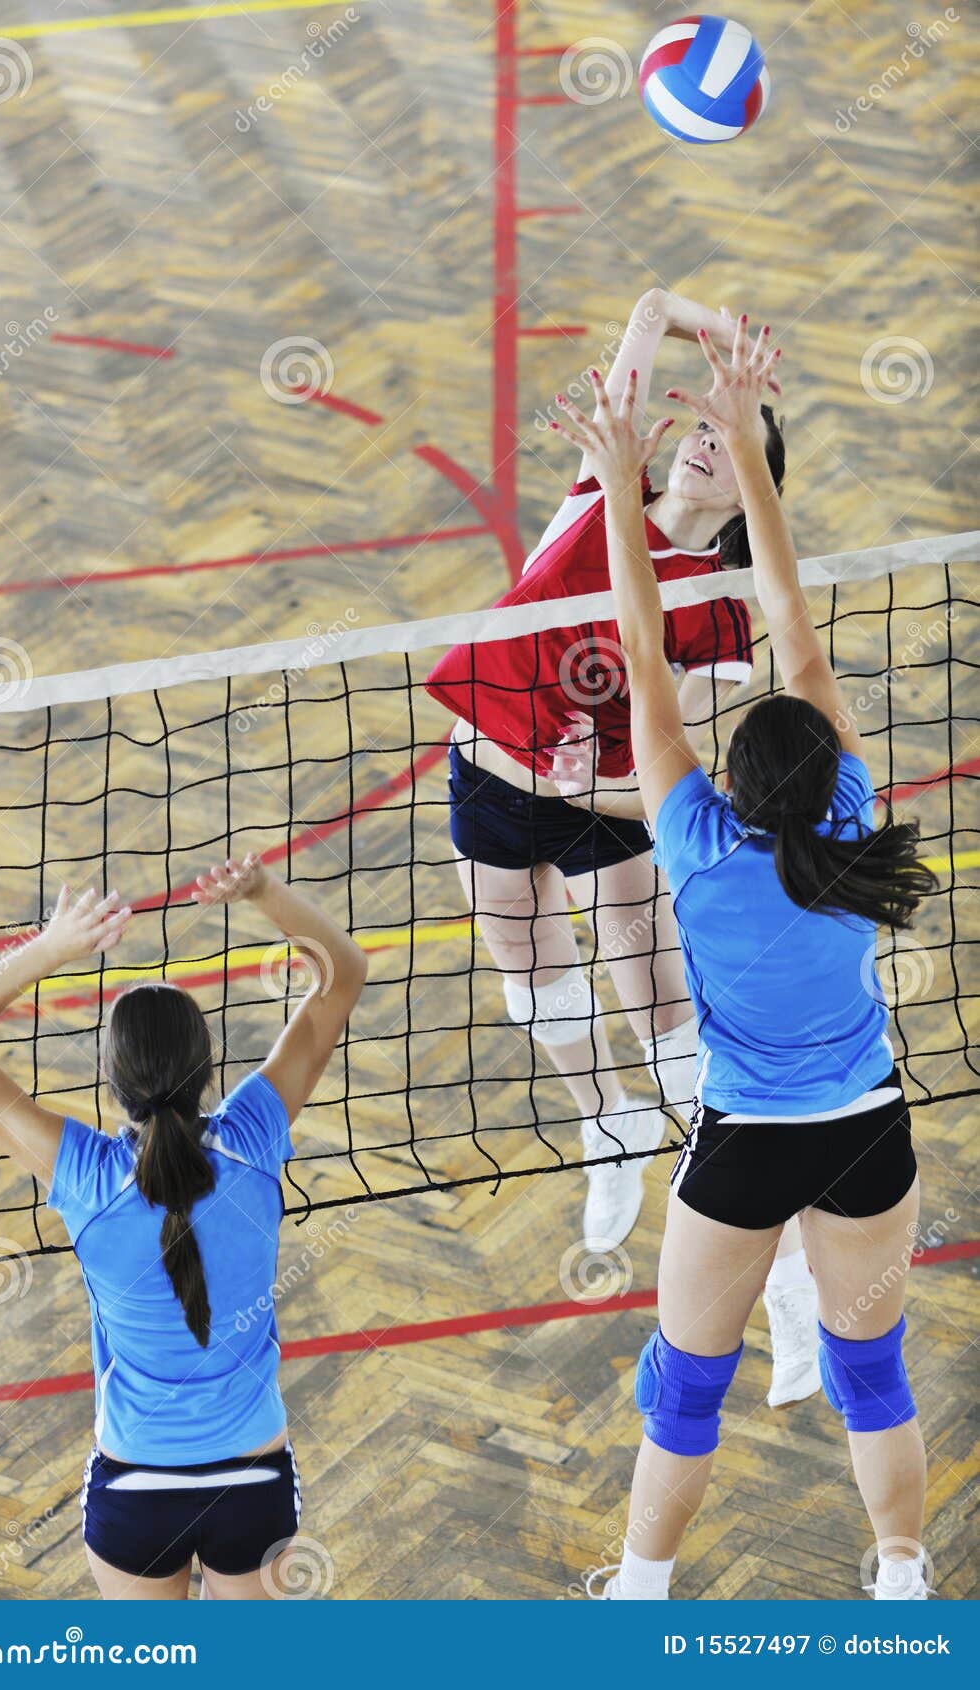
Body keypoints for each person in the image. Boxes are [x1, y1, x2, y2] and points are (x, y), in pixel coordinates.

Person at [549, 323, 936, 1602]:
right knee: (869, 1375)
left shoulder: (695, 849)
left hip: (748, 1142)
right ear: (830, 772)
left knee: (682, 1389)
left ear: (732, 784)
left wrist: (616, 484)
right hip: (868, 1135)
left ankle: (643, 1589)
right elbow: (788, 619)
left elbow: (642, 656)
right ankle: (899, 1574)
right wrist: (753, 449)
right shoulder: (851, 824)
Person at [426, 290, 817, 1408]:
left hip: (603, 813)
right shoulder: (597, 496)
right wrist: (714, 330)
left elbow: (667, 757)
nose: (697, 441)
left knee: (663, 1019)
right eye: (691, 429)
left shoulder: (724, 617)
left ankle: (781, 1276)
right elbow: (644, 313)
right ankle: (608, 1126)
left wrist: (580, 781)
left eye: (723, 440)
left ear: (747, 480)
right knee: (532, 992)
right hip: (483, 786)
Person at [0, 854, 367, 1601]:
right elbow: (340, 974)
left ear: (113, 1083)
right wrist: (260, 891)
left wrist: (50, 950)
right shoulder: (253, 1140)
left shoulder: (85, 1176)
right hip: (250, 1480)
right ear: (208, 1067)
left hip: (135, 1491)